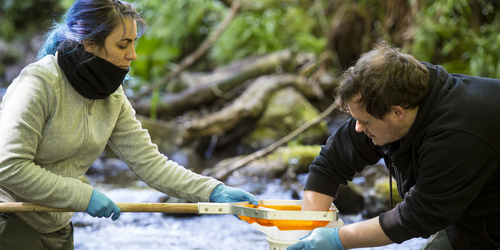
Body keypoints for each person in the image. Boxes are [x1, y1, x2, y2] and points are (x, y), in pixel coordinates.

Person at [0, 0, 258, 249]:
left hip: (56, 224)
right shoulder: (38, 84)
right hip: (9, 215)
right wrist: (82, 196)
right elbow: (8, 165)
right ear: (89, 43)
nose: (133, 55)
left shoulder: (112, 96)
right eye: (124, 45)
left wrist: (213, 191)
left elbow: (150, 163)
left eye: (133, 43)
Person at [288, 42, 500, 250]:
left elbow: (418, 216)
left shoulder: (456, 136)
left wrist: (336, 239)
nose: (358, 128)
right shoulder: (394, 100)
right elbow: (330, 163)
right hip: (469, 223)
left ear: (397, 113)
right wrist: (309, 233)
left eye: (365, 121)